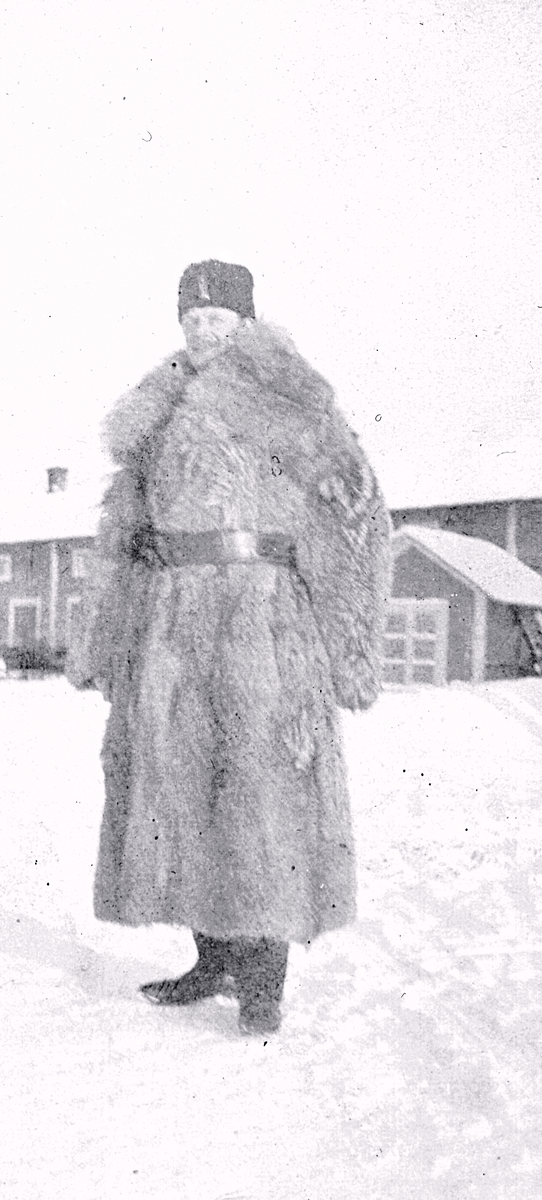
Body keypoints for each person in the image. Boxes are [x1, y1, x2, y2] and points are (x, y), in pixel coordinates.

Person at [68, 259, 391, 1035]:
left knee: (261, 792)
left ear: (247, 323)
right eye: (191, 320)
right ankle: (211, 958)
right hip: (172, 625)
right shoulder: (159, 410)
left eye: (216, 319)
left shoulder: (290, 398)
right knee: (181, 790)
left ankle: (263, 983)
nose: (202, 331)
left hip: (262, 620)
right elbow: (120, 533)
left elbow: (355, 515)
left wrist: (350, 645)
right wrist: (108, 632)